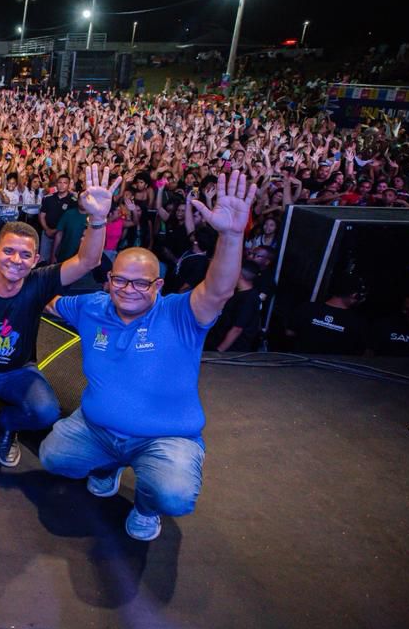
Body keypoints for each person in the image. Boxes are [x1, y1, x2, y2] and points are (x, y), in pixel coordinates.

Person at [38, 170, 255, 541]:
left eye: (141, 283)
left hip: (166, 438)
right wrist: (14, 275)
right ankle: (108, 467)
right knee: (53, 457)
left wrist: (232, 236)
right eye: (120, 280)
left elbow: (218, 291)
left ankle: (145, 507)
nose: (129, 290)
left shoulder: (181, 313)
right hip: (97, 428)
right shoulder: (92, 305)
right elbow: (48, 298)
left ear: (158, 285)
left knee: (173, 493)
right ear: (109, 281)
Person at [0, 165, 119, 469]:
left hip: (20, 371)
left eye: (25, 255)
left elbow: (89, 260)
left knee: (46, 413)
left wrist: (98, 220)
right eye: (9, 251)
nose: (16, 260)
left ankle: (6, 426)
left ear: (36, 260)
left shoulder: (40, 282)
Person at [285, 273, 368, 355]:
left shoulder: (307, 308)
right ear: (354, 295)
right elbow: (360, 350)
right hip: (334, 367)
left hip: (299, 364)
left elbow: (289, 333)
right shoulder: (356, 322)